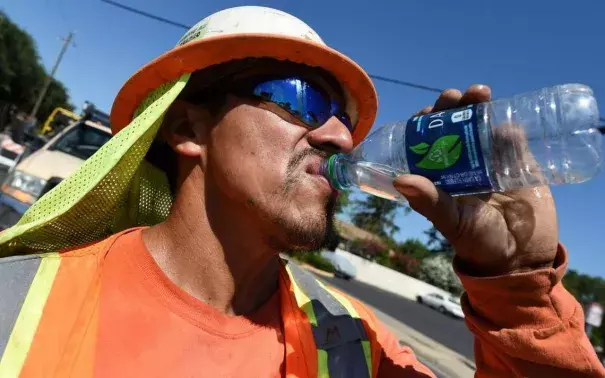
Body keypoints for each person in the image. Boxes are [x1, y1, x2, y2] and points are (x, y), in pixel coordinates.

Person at [0, 6, 603, 378]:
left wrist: (518, 288)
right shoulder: (18, 308)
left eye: (342, 114)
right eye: (300, 98)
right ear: (188, 128)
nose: (341, 135)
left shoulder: (353, 344)